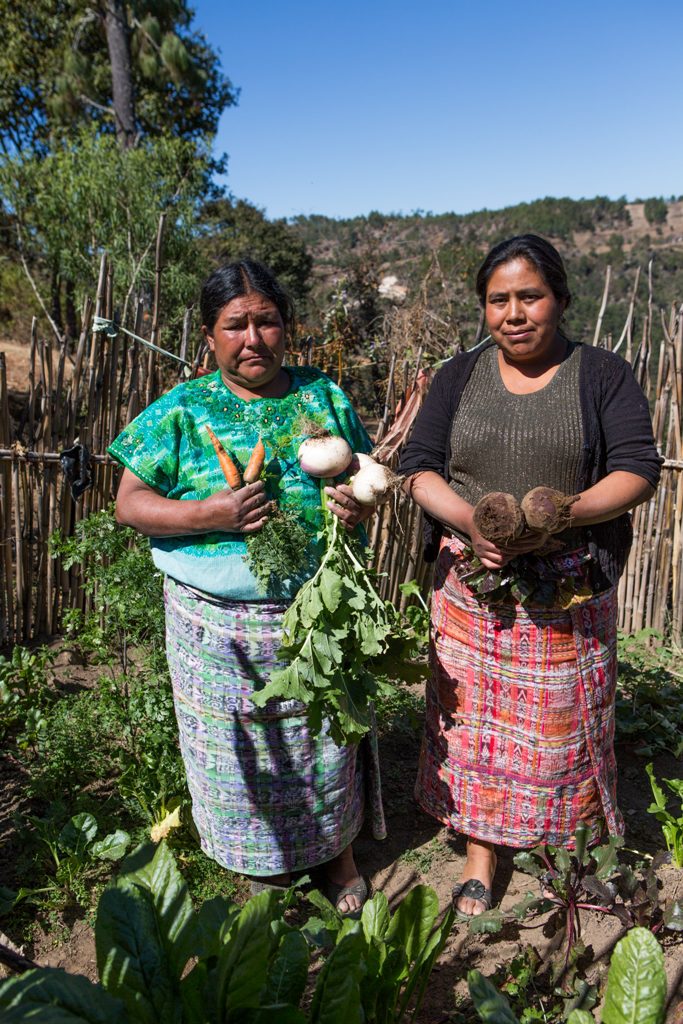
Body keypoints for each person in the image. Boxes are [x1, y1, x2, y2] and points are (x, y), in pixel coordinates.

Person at [109, 258, 383, 915]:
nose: (253, 338)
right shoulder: (180, 410)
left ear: (286, 327)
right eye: (236, 325)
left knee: (325, 740)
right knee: (238, 754)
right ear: (210, 335)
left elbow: (363, 467)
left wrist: (357, 503)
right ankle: (260, 865)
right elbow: (129, 503)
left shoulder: (322, 397)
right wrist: (213, 515)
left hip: (316, 605)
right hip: (214, 626)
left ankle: (335, 856)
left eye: (266, 321)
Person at [398, 234, 662, 918]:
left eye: (529, 296)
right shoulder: (459, 376)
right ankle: (481, 852)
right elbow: (419, 467)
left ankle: (561, 853)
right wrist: (469, 522)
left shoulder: (600, 375)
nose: (513, 313)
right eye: (497, 300)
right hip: (472, 585)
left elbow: (636, 471)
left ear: (560, 301)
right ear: (483, 309)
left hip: (565, 581)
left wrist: (561, 516)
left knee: (561, 726)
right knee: (475, 723)